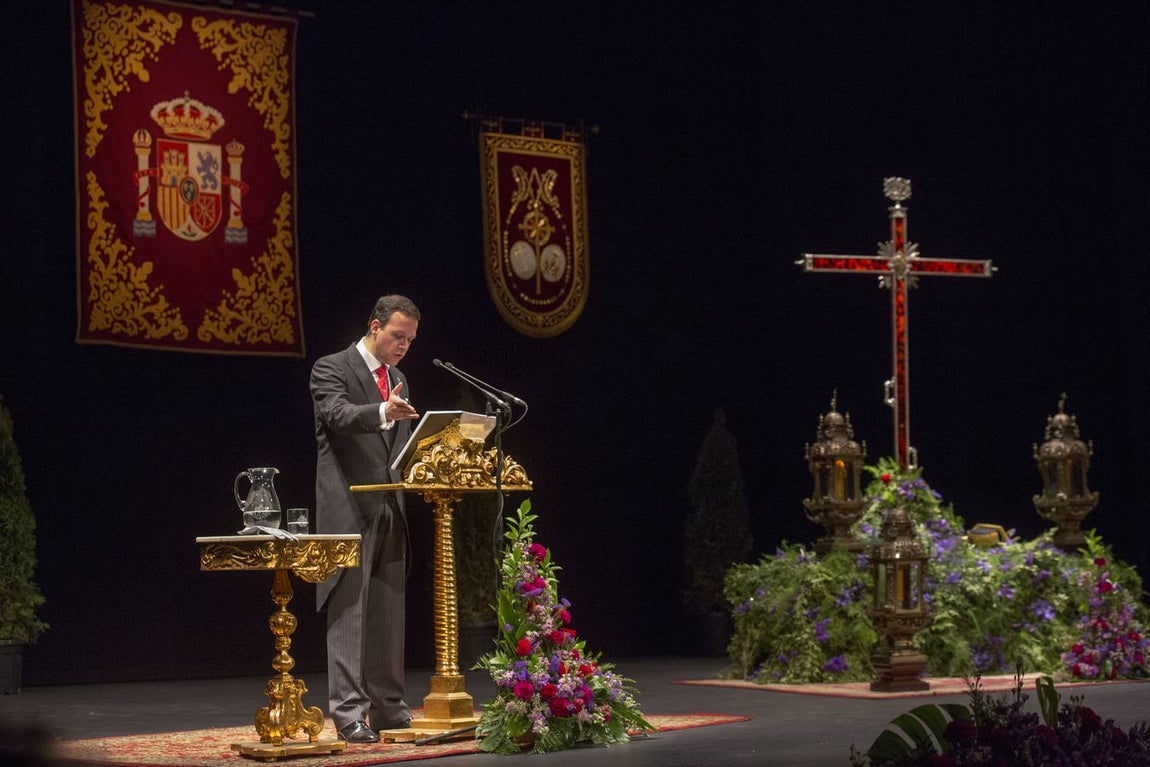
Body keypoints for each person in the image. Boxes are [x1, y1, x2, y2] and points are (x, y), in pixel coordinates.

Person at [310, 294, 422, 743]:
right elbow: (337, 416)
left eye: (410, 340)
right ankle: (349, 714)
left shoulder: (399, 379)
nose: (403, 346)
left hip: (390, 506)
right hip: (350, 507)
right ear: (374, 327)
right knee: (351, 613)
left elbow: (398, 448)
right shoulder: (330, 367)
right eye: (398, 336)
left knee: (387, 613)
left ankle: (388, 707)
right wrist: (381, 412)